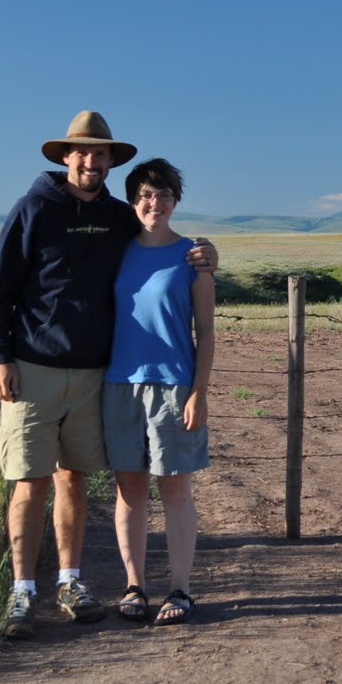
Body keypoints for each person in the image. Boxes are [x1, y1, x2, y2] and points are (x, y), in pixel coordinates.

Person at [0, 111, 216, 640]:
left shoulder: (122, 220)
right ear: (65, 156)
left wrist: (207, 254)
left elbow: (186, 281)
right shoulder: (33, 209)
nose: (91, 161)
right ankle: (25, 591)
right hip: (45, 370)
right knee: (31, 481)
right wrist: (0, 356)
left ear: (111, 162)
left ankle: (78, 582)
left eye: (101, 154)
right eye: (82, 152)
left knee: (76, 478)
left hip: (103, 376)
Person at [103, 158, 214, 626]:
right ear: (133, 201)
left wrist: (199, 392)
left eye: (164, 194)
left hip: (174, 386)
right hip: (119, 384)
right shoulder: (116, 251)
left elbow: (205, 332)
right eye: (146, 195)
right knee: (129, 491)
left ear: (175, 201)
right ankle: (135, 586)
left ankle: (181, 589)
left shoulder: (193, 257)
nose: (155, 203)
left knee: (176, 491)